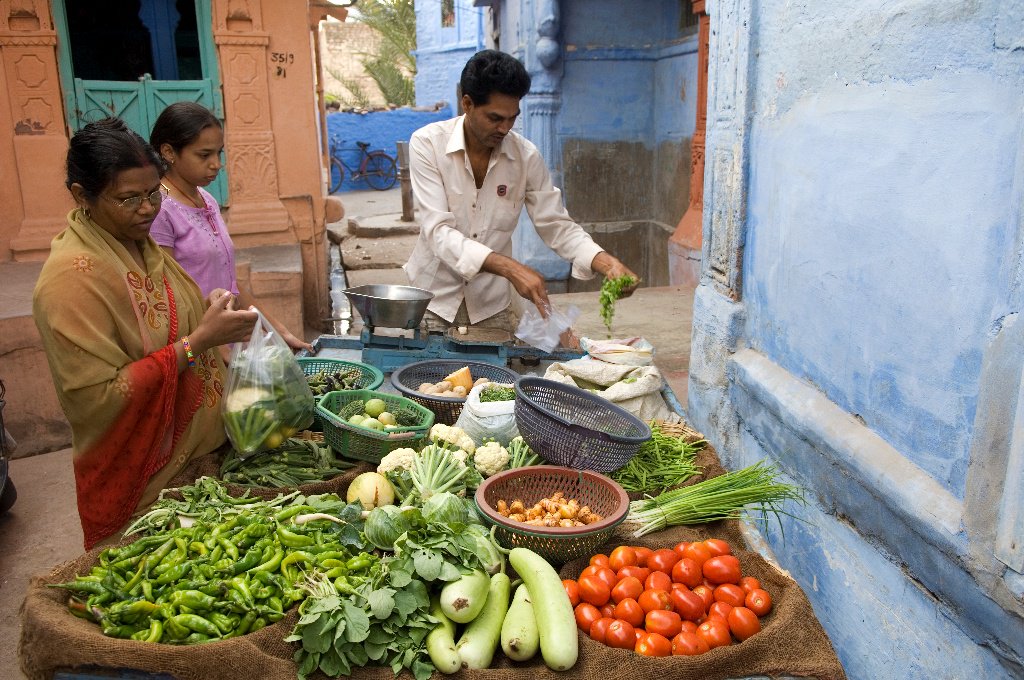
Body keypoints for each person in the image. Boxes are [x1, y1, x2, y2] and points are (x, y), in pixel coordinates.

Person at [33, 118, 259, 549]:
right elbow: (99, 397)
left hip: (200, 460)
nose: (147, 209)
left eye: (154, 193)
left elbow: (171, 318)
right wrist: (199, 343)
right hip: (139, 478)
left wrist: (206, 311)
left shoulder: (143, 248)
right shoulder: (71, 282)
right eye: (128, 198)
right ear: (83, 196)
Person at [405, 49, 639, 335]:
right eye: (494, 118)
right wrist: (511, 269)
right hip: (433, 302)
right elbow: (438, 232)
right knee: (430, 380)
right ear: (467, 103)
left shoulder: (526, 156)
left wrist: (605, 262)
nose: (505, 128)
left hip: (490, 306)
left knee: (493, 381)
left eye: (512, 118)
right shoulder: (427, 144)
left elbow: (556, 225)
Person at [148, 101, 312, 352]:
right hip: (197, 348)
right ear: (169, 152)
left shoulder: (207, 200)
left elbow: (230, 285)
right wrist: (216, 350)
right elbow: (169, 298)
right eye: (204, 155)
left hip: (226, 344)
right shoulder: (159, 209)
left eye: (219, 153)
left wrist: (279, 331)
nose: (216, 163)